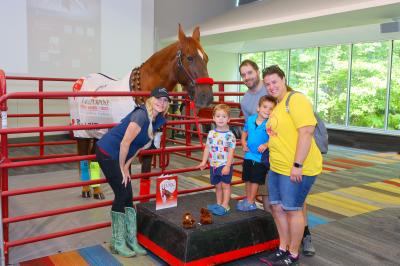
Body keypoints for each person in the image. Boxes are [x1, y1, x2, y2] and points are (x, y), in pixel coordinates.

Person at [95, 87, 170, 257]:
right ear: (151, 99)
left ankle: (131, 239)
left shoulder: (157, 119)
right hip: (108, 152)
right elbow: (125, 143)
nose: (162, 102)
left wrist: (127, 164)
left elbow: (138, 146)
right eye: (158, 98)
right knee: (122, 194)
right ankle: (117, 242)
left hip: (122, 156)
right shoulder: (141, 115)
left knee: (128, 195)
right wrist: (122, 168)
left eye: (165, 100)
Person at [261, 65, 322, 266]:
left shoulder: (296, 99)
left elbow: (306, 132)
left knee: (292, 209)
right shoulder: (277, 106)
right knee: (277, 208)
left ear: (283, 79)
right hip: (277, 167)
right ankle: (282, 248)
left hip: (296, 168)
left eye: (274, 82)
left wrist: (297, 164)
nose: (271, 86)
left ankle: (293, 253)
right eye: (267, 83)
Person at [237, 95, 276, 211]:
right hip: (248, 155)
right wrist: (243, 142)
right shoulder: (250, 119)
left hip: (261, 158)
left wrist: (266, 144)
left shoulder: (270, 123)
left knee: (255, 179)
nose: (267, 110)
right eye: (265, 107)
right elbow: (245, 132)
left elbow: (274, 138)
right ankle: (249, 199)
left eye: (271, 109)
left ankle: (250, 201)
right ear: (258, 108)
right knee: (247, 178)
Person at [198, 104, 236, 216]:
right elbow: (207, 148)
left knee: (225, 185)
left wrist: (228, 166)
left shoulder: (230, 135)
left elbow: (231, 152)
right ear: (213, 118)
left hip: (224, 165)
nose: (220, 119)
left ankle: (225, 205)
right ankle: (219, 203)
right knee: (218, 185)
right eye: (218, 116)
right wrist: (204, 162)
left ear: (228, 119)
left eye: (224, 116)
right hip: (214, 165)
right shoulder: (211, 133)